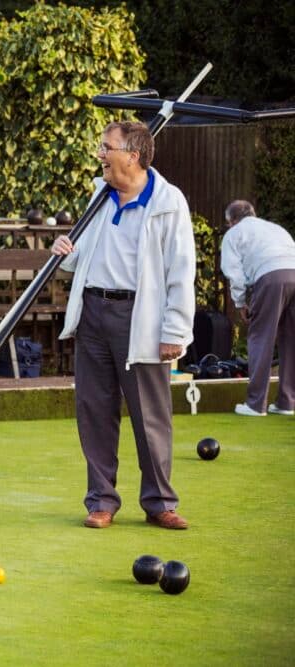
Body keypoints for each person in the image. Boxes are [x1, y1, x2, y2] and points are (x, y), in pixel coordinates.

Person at [51, 120, 195, 530]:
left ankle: (160, 502)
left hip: (141, 317)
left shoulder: (168, 203)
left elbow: (181, 272)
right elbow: (86, 255)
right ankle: (101, 501)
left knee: (151, 414)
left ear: (132, 155)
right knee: (94, 409)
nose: (100, 154)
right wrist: (66, 253)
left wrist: (175, 332)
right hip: (93, 312)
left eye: (106, 147)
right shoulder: (100, 194)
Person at [220, 200, 295, 417]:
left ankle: (255, 404)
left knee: (261, 338)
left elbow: (234, 272)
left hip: (269, 276)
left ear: (232, 221)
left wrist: (240, 302)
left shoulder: (234, 234)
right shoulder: (275, 228)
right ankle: (287, 402)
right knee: (291, 340)